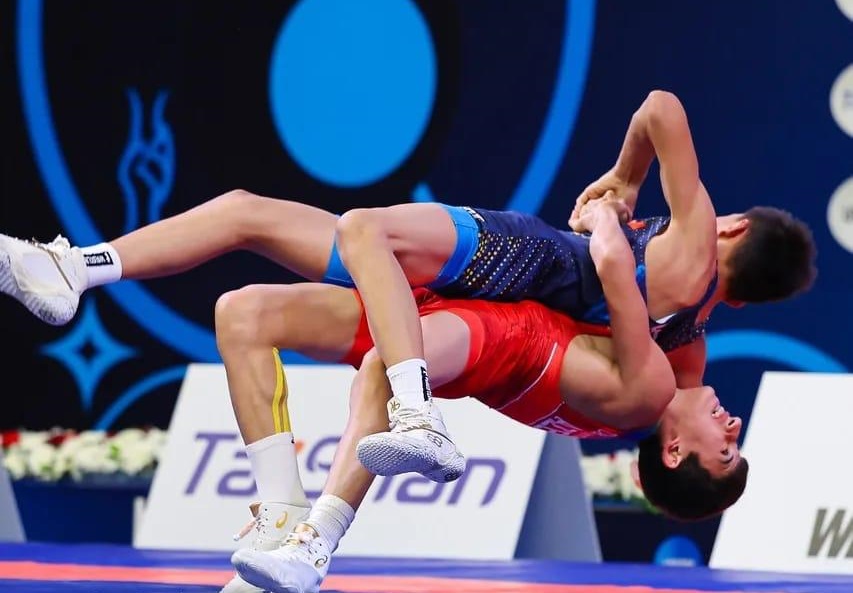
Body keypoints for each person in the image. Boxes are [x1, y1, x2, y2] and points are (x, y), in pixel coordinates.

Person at [0, 91, 815, 481]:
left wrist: (622, 185)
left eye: (724, 440)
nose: (726, 420)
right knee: (249, 219)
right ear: (745, 300)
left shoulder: (693, 239)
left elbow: (662, 107)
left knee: (354, 229)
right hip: (476, 317)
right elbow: (657, 404)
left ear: (734, 229)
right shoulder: (688, 347)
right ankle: (76, 268)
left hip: (512, 271)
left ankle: (405, 424)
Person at [214, 197, 747, 593]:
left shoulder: (653, 388)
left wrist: (609, 207)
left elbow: (623, 266)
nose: (734, 426)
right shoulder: (666, 379)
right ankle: (290, 527)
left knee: (380, 361)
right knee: (247, 269)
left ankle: (314, 542)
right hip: (471, 307)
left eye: (725, 451)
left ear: (674, 452)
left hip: (493, 335)